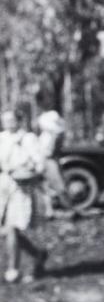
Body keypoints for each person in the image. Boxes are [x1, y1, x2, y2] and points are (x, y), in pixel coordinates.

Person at [0, 110, 47, 283]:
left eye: (11, 120)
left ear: (19, 120)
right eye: (4, 120)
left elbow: (39, 163)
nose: (8, 123)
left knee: (13, 226)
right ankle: (38, 254)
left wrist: (30, 171)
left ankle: (13, 270)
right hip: (5, 185)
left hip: (23, 186)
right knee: (6, 229)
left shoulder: (28, 138)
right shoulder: (2, 138)